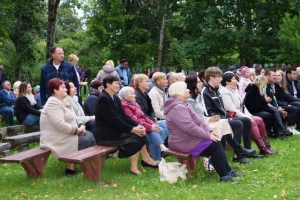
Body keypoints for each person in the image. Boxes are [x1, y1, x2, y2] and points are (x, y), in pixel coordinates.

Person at [164, 81, 242, 182]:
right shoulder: (178, 108)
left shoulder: (183, 105)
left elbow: (199, 122)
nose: (188, 90)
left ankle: (228, 172)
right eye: (185, 89)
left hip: (189, 138)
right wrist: (208, 136)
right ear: (179, 92)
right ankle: (224, 176)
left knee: (216, 142)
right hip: (182, 141)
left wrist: (209, 131)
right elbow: (189, 127)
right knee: (215, 145)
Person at [94, 76, 158, 175]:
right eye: (115, 83)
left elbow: (123, 116)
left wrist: (137, 126)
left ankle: (143, 161)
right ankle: (137, 166)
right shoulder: (103, 99)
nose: (118, 85)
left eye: (118, 83)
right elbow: (113, 120)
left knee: (140, 133)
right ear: (107, 84)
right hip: (107, 135)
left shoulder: (115, 97)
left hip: (116, 130)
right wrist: (132, 129)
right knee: (135, 138)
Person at [40, 78, 96, 175]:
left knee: (89, 135)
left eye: (66, 88)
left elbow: (75, 119)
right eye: (63, 87)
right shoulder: (52, 103)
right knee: (88, 138)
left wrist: (82, 126)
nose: (66, 89)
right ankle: (88, 165)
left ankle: (85, 165)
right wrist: (77, 131)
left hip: (65, 135)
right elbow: (60, 124)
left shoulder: (62, 101)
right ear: (55, 90)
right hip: (56, 138)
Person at [201, 67, 257, 163]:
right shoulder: (205, 92)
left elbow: (222, 109)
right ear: (211, 78)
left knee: (246, 121)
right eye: (219, 77)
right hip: (215, 122)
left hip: (223, 119)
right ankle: (238, 154)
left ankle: (246, 150)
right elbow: (208, 112)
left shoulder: (216, 90)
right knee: (237, 124)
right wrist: (224, 119)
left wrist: (228, 117)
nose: (221, 79)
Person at [220, 72, 276, 154]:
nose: (236, 80)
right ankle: (262, 148)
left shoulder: (235, 90)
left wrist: (249, 115)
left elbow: (243, 106)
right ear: (227, 82)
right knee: (251, 121)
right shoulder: (224, 92)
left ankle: (266, 146)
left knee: (259, 119)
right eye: (233, 79)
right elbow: (231, 109)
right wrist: (248, 117)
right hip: (231, 116)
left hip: (240, 114)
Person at [119, 86, 168, 161]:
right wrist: (150, 127)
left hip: (143, 123)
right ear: (125, 96)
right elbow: (135, 120)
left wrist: (152, 124)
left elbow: (143, 116)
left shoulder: (134, 103)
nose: (134, 95)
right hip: (134, 127)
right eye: (132, 94)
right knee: (158, 131)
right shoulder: (124, 106)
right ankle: (159, 151)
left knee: (166, 123)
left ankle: (159, 146)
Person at [134, 74, 169, 145]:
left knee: (168, 124)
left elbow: (150, 110)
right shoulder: (137, 96)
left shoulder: (145, 94)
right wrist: (153, 120)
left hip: (148, 119)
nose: (149, 83)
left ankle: (156, 149)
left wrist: (153, 118)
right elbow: (141, 114)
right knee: (161, 130)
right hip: (142, 122)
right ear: (139, 83)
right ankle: (156, 151)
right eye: (146, 81)